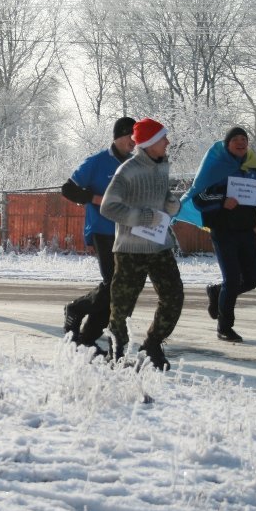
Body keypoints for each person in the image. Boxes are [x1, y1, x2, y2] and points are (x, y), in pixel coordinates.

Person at [100, 118, 185, 371]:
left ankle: (152, 345)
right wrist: (143, 217)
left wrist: (171, 203)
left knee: (174, 297)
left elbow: (160, 196)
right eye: (163, 138)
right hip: (131, 250)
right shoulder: (127, 170)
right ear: (148, 143)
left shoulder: (162, 166)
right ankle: (115, 354)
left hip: (160, 245)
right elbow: (108, 207)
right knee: (122, 306)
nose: (168, 142)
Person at [177, 126, 256, 342]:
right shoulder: (216, 167)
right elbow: (200, 198)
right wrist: (222, 201)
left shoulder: (252, 167)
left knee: (252, 279)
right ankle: (224, 327)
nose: (241, 142)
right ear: (227, 144)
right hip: (223, 230)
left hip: (246, 229)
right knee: (232, 278)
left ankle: (216, 292)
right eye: (235, 139)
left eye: (244, 139)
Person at [60, 116, 135, 348]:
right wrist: (94, 198)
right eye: (131, 136)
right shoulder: (97, 162)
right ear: (119, 136)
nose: (134, 142)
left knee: (119, 288)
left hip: (127, 232)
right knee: (114, 283)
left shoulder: (135, 165)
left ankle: (87, 338)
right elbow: (68, 189)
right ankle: (77, 308)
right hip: (102, 230)